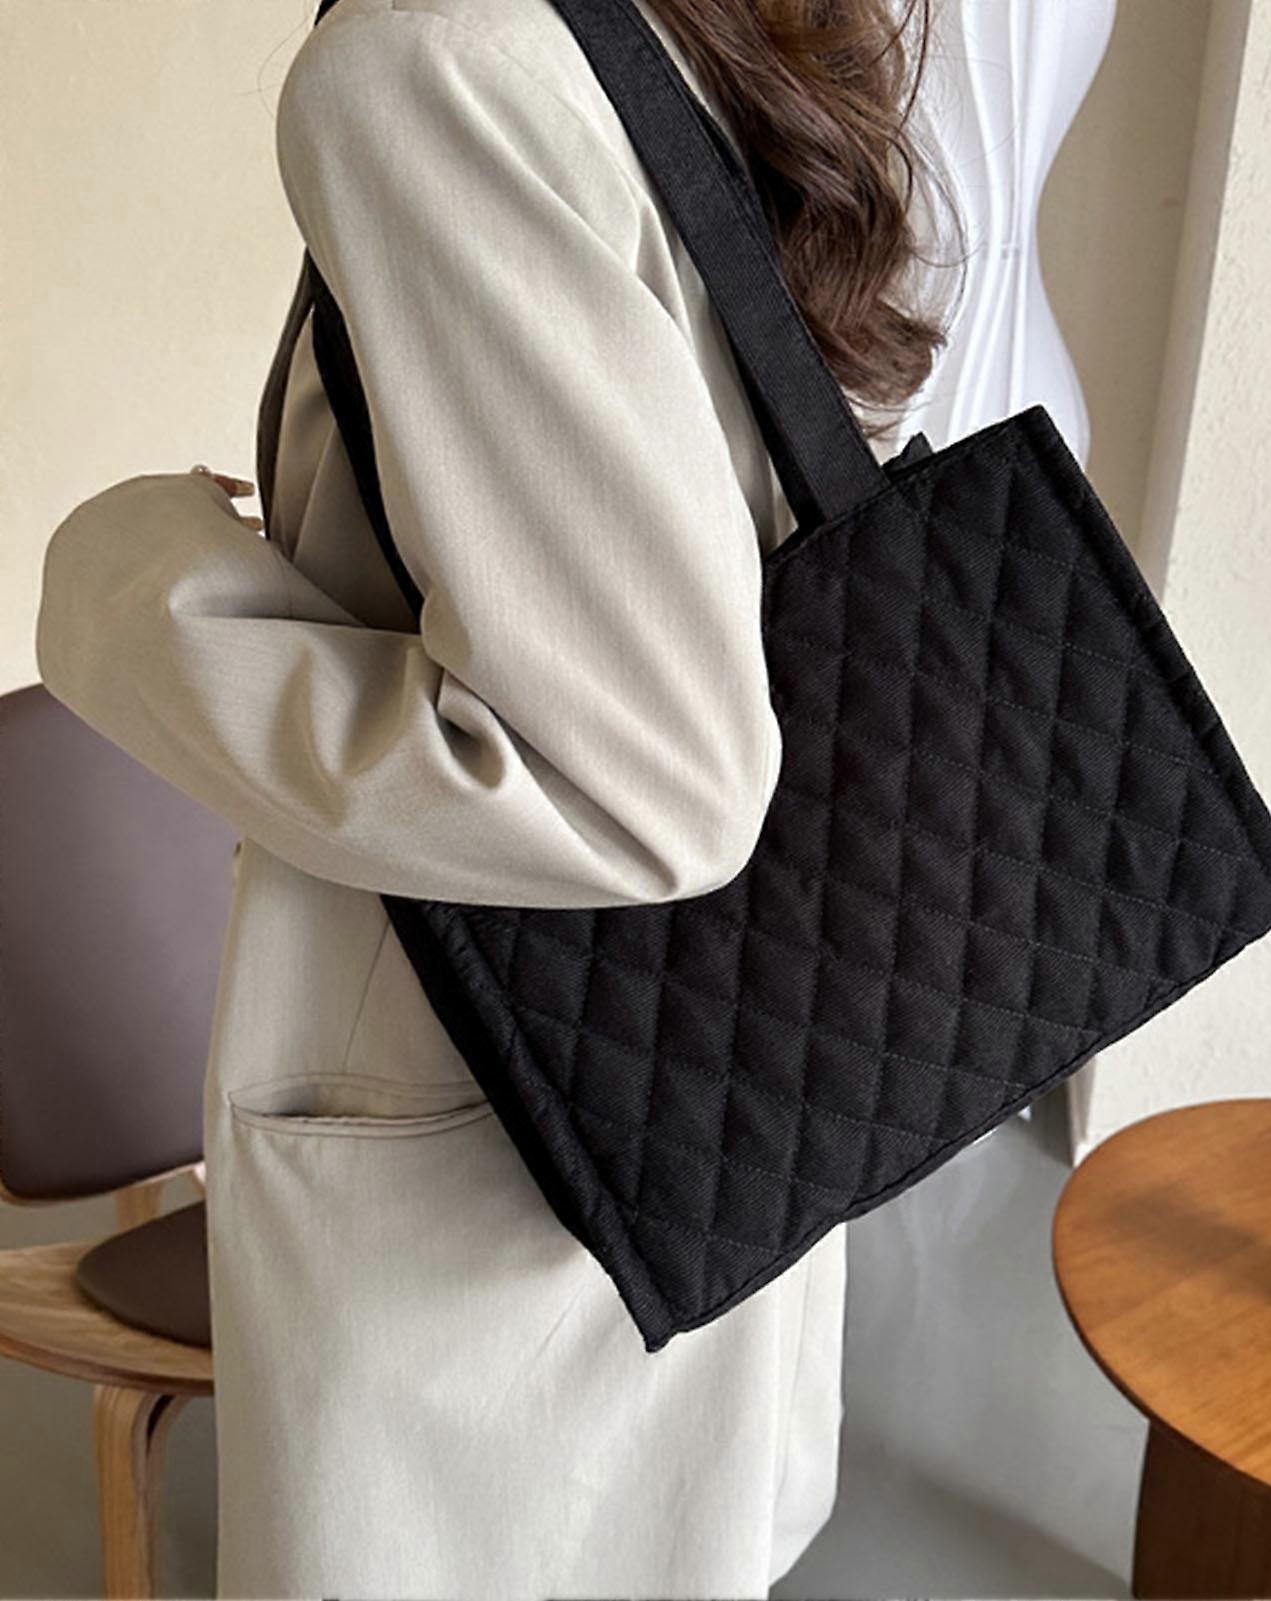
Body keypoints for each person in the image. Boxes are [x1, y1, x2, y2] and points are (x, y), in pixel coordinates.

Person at [34, 0, 948, 1595]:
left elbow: (650, 783)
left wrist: (136, 593)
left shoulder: (420, 63)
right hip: (714, 1066)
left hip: (497, 1122)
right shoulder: (655, 28)